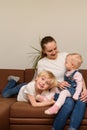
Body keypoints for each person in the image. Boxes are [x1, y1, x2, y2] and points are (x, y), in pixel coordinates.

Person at [36, 36, 87, 130]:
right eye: (50, 51)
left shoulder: (66, 56)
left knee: (83, 100)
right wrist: (57, 83)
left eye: (55, 48)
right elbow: (41, 82)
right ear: (44, 51)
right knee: (69, 102)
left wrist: (84, 89)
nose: (54, 52)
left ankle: (72, 128)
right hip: (58, 90)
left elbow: (77, 74)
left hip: (73, 88)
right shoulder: (42, 63)